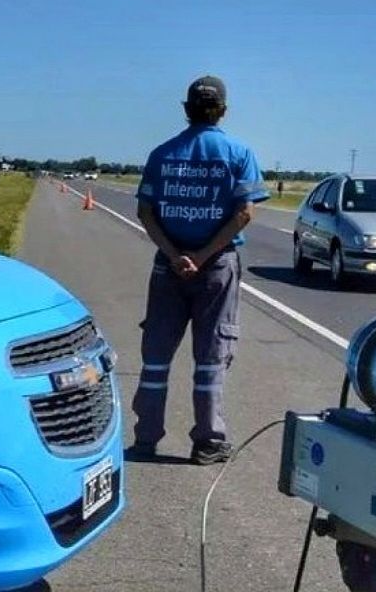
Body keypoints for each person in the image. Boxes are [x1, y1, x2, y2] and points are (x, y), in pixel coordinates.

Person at [128, 75, 269, 465]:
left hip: (168, 268)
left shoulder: (162, 154)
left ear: (186, 109)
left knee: (156, 357)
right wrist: (204, 256)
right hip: (216, 268)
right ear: (222, 110)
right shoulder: (238, 153)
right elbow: (244, 212)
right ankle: (208, 441)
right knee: (210, 359)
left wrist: (175, 255)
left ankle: (145, 437)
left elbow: (145, 212)